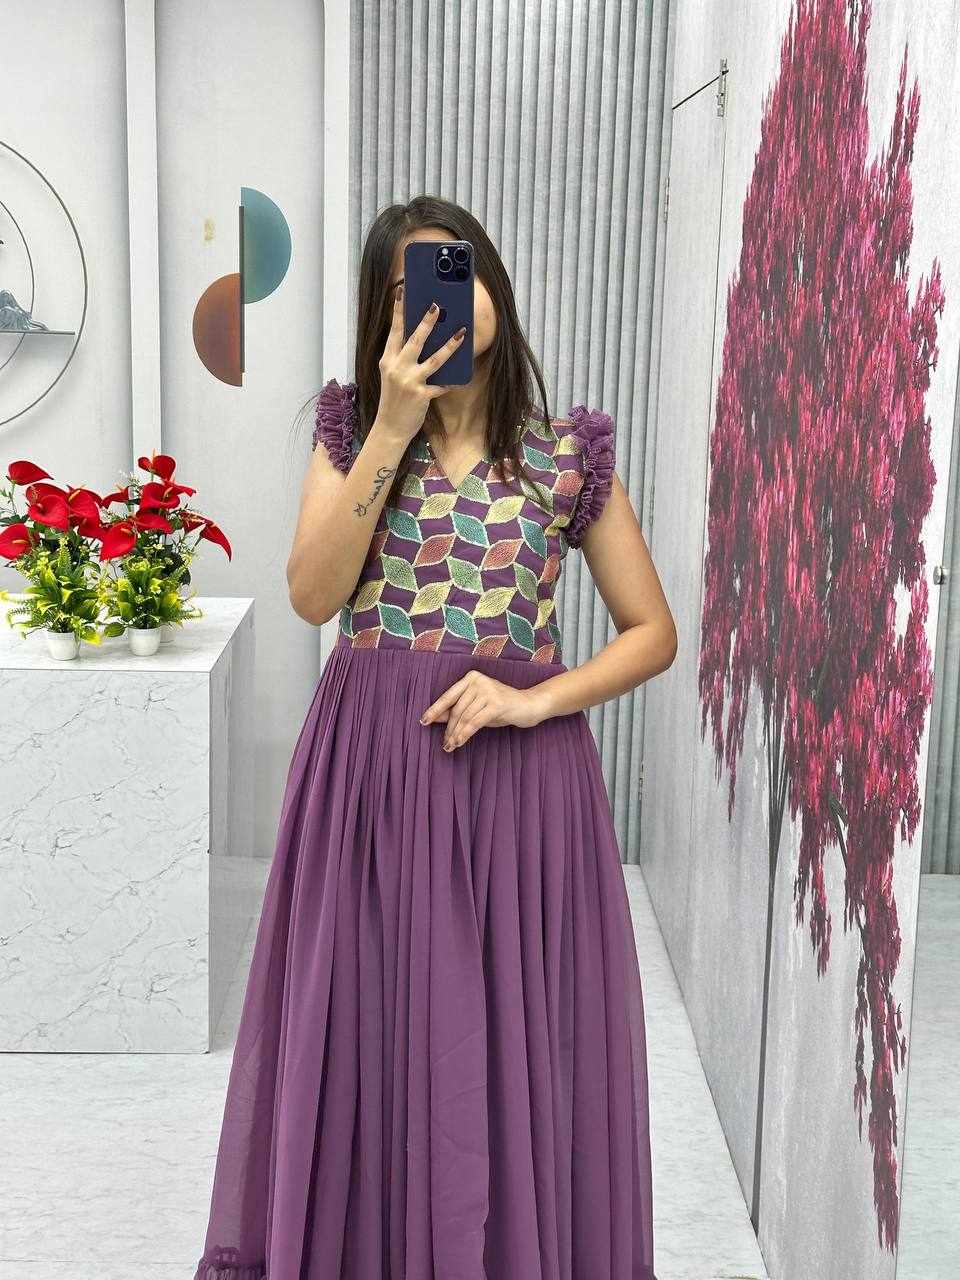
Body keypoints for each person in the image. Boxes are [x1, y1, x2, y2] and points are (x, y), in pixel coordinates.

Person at [193, 195, 675, 1279]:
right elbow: (314, 596)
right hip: (370, 777)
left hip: (519, 782)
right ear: (383, 311)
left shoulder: (565, 457)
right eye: (411, 287)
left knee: (503, 1034)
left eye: (458, 274)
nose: (444, 304)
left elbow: (653, 632)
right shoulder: (350, 434)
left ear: (492, 285)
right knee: (368, 1024)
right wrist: (393, 426)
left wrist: (535, 699)